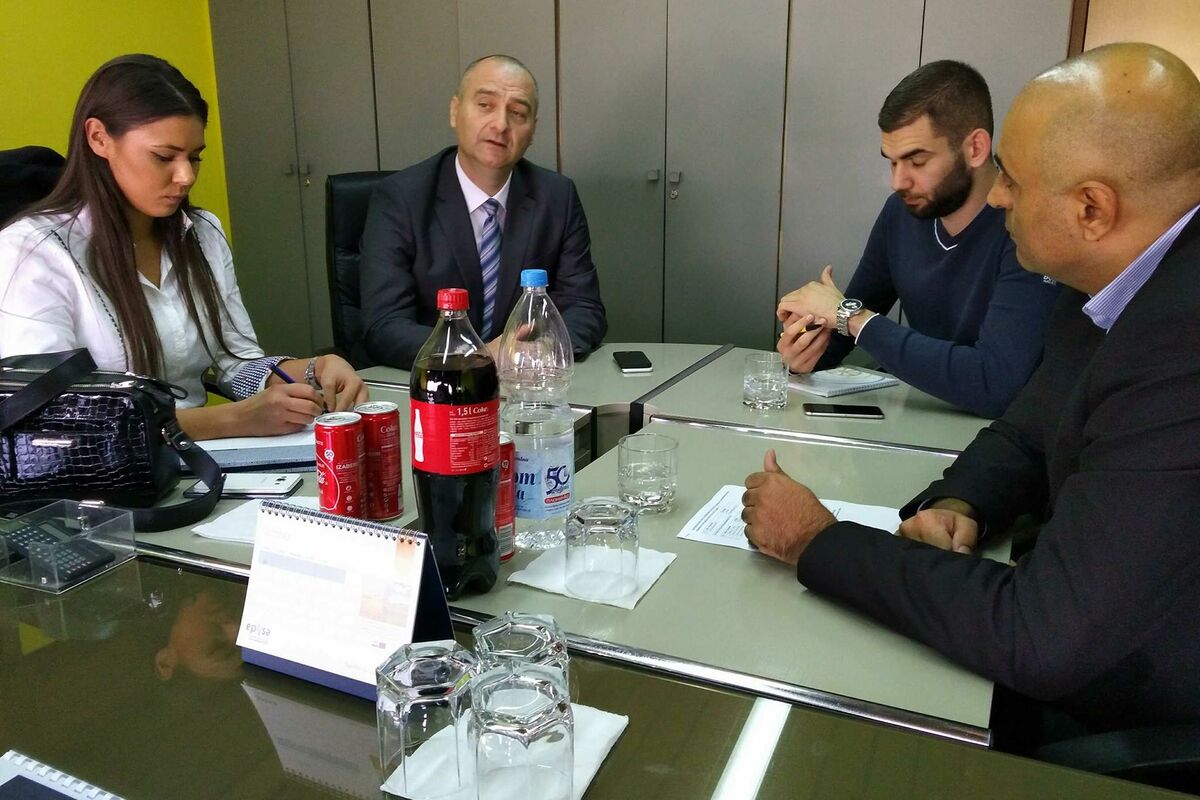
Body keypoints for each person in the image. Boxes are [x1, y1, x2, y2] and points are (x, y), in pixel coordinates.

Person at [743, 43, 1200, 740]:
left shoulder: (1180, 350)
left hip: (1138, 713)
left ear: (1092, 209)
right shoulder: (1114, 281)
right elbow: (1030, 426)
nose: (1001, 196)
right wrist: (961, 502)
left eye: (1013, 179)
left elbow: (1043, 636)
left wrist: (816, 542)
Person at [0, 55, 367, 440]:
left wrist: (314, 369)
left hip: (203, 460)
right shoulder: (32, 252)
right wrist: (233, 419)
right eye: (164, 157)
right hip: (102, 471)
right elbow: (52, 419)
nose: (186, 176)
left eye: (194, 157)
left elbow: (236, 365)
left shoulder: (201, 232)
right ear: (99, 138)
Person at [776, 61, 1060, 418]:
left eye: (917, 161)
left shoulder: (1029, 228)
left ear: (975, 148)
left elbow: (996, 383)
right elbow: (845, 329)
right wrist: (804, 350)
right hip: (919, 416)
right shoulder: (901, 213)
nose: (898, 181)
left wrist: (851, 317)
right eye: (893, 162)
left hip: (1002, 433)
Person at [359, 54, 606, 369]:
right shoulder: (401, 197)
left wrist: (542, 348)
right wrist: (478, 354)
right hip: (436, 382)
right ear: (455, 111)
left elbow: (585, 307)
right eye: (485, 105)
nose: (500, 124)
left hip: (524, 380)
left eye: (517, 113)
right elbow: (384, 324)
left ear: (532, 130)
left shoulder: (557, 197)